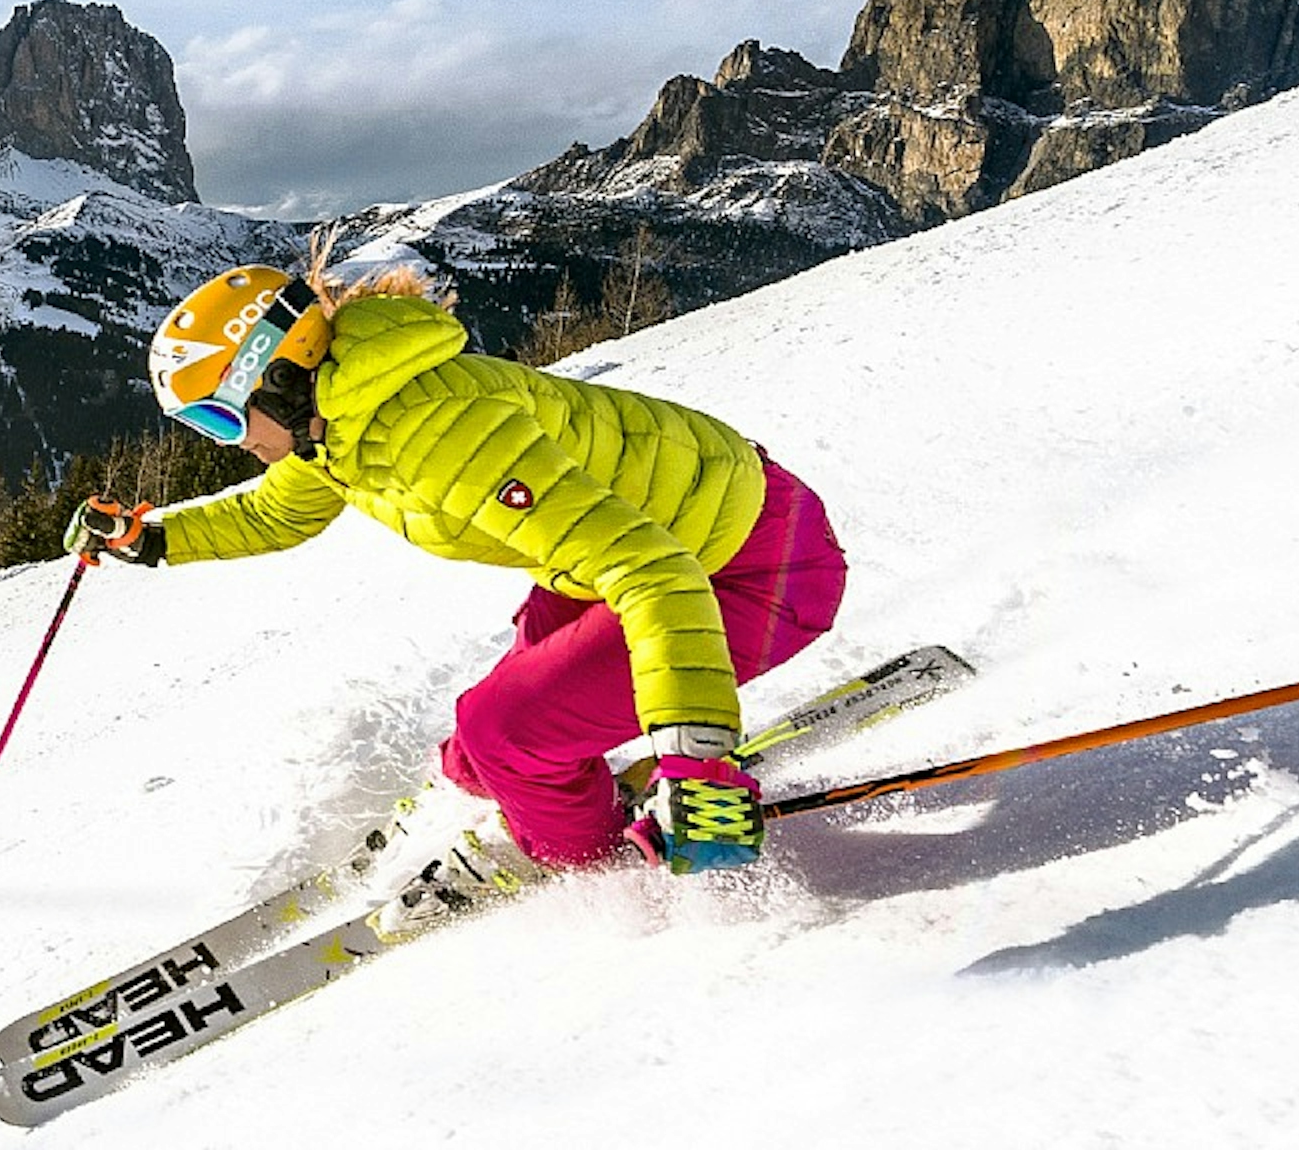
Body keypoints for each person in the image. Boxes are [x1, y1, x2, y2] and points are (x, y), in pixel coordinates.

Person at [64, 256, 847, 909]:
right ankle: (570, 799)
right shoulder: (341, 420)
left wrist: (696, 759)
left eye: (221, 420)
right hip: (643, 549)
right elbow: (277, 516)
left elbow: (655, 571)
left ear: (274, 379)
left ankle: (598, 874)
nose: (230, 445)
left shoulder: (435, 429)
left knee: (504, 735)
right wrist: (152, 540)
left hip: (749, 568)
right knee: (477, 760)